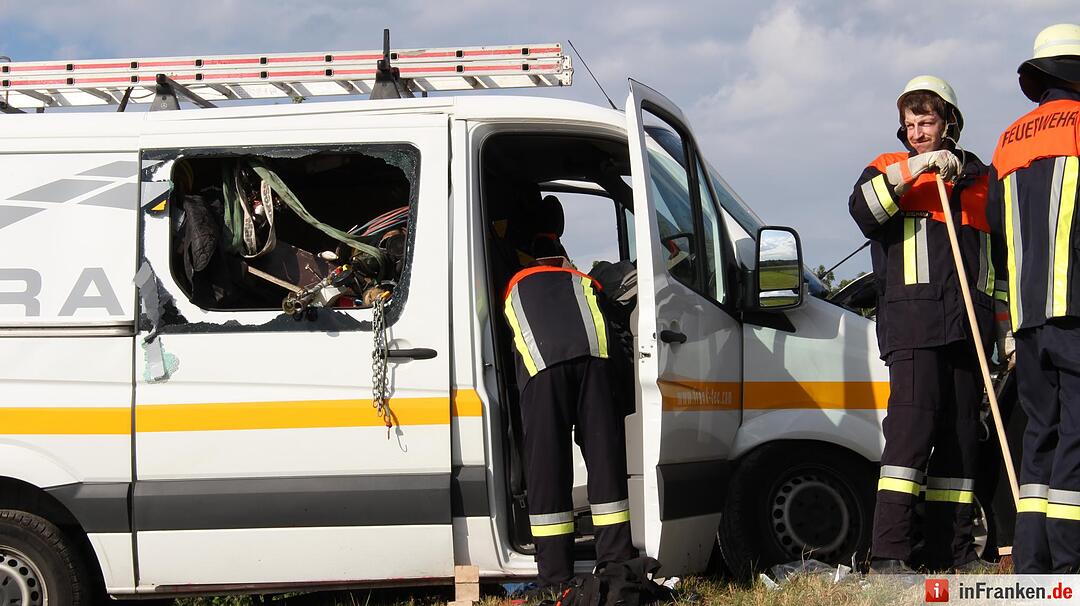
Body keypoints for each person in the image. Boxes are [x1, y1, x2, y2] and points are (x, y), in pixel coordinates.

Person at [848, 76, 995, 573]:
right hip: (912, 328)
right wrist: (914, 170)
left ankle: (950, 552)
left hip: (967, 329)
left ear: (949, 121)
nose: (916, 132)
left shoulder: (978, 179)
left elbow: (996, 262)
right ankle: (890, 553)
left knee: (959, 440)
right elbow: (863, 211)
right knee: (910, 436)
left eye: (925, 122)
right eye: (909, 125)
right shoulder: (889, 168)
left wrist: (1005, 329)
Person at [986, 23, 1080, 574]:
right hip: (1075, 311)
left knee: (1039, 438)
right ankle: (1072, 566)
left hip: (1027, 318)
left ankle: (1031, 564)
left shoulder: (1009, 140)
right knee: (1077, 437)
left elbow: (999, 233)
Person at [502, 225, 636, 589]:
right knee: (605, 462)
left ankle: (555, 576)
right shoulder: (583, 280)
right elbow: (616, 331)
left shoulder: (512, 282)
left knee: (547, 468)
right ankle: (616, 563)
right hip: (596, 361)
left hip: (544, 368)